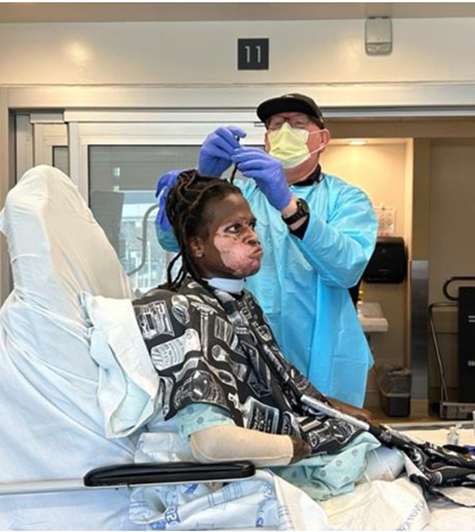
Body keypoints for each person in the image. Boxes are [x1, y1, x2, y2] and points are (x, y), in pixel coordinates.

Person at [131, 171, 475, 527]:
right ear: (194, 243)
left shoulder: (240, 298)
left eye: (252, 225)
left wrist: (336, 411)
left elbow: (347, 269)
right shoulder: (177, 310)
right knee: (446, 476)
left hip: (309, 424)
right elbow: (211, 441)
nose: (253, 237)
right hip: (289, 455)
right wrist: (306, 442)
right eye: (235, 229)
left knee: (428, 457)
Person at [155, 94, 378, 407]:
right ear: (266, 141)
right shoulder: (237, 196)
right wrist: (199, 186)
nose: (285, 131)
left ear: (322, 138)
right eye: (276, 125)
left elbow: (347, 268)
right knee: (261, 442)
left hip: (324, 357)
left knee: (331, 439)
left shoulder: (347, 199)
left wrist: (289, 205)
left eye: (298, 124)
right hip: (245, 349)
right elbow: (173, 242)